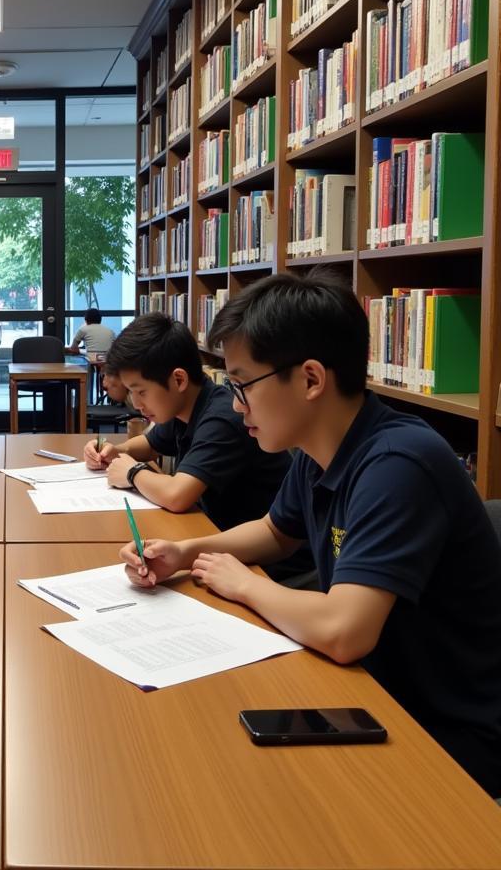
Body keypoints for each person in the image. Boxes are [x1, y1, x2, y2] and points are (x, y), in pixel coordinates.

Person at [119, 271, 501, 797]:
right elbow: (276, 533)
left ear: (311, 379)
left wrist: (246, 585)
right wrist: (185, 552)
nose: (234, 405)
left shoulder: (398, 463)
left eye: (242, 384)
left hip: (444, 733)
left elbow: (346, 631)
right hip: (373, 694)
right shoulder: (319, 449)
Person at [85, 312, 293, 537]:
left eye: (141, 391)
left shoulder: (222, 418)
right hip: (218, 537)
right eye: (131, 392)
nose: (136, 404)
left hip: (266, 563)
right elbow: (150, 444)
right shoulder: (183, 407)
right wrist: (114, 451)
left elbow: (177, 496)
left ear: (179, 380)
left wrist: (132, 472)